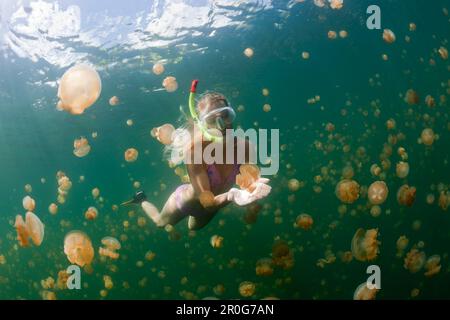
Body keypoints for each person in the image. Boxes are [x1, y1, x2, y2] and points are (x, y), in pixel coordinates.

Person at [122, 80, 271, 230]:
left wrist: (252, 186)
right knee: (160, 223)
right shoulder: (195, 153)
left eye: (225, 115)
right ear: (202, 125)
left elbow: (249, 182)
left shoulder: (245, 147)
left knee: (193, 228)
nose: (221, 125)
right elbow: (208, 203)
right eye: (212, 120)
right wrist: (231, 196)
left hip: (215, 205)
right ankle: (141, 200)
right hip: (186, 203)